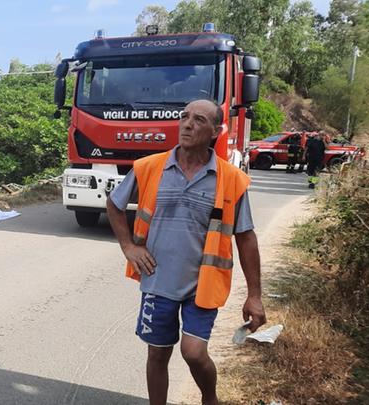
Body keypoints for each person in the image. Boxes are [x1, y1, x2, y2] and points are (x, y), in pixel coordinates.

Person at [106, 100, 266, 405]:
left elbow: (246, 237)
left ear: (215, 131)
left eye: (199, 120)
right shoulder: (151, 167)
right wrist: (129, 246)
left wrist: (254, 295)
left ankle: (210, 397)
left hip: (203, 284)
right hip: (158, 280)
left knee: (193, 352)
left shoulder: (230, 178)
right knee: (157, 353)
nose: (187, 124)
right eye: (184, 117)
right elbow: (114, 204)